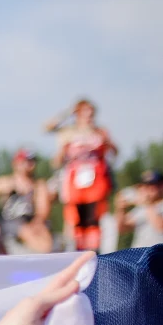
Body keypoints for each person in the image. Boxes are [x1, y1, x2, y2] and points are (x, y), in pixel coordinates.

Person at [47, 98, 118, 252]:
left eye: (91, 113)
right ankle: (73, 251)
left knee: (95, 220)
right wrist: (67, 113)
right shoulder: (68, 132)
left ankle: (97, 252)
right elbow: (48, 128)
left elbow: (115, 151)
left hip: (96, 183)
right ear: (77, 113)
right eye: (85, 112)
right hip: (74, 184)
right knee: (74, 220)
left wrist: (107, 143)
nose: (89, 116)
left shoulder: (100, 132)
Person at [0, 149, 54, 254]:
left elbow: (43, 211)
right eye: (26, 161)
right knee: (26, 232)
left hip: (30, 221)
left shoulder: (38, 185)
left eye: (32, 161)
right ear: (16, 164)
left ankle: (45, 257)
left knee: (45, 238)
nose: (30, 164)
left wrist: (37, 224)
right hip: (9, 222)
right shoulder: (7, 182)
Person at [116, 169, 163, 251]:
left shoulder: (152, 205)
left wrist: (147, 204)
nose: (151, 188)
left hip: (159, 257)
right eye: (147, 185)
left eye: (155, 184)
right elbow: (122, 228)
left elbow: (161, 227)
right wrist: (121, 209)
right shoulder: (143, 207)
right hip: (139, 257)